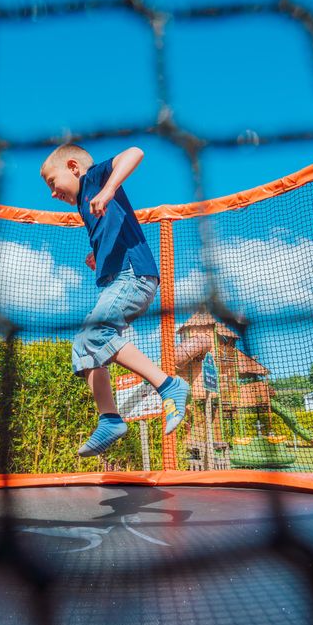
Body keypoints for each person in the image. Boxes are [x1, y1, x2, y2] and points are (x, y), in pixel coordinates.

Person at [40, 143, 189, 457]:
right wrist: (98, 254)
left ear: (73, 167)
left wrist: (108, 188)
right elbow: (112, 229)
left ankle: (168, 386)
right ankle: (109, 419)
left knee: (97, 334)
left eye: (53, 183)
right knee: (83, 345)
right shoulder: (85, 205)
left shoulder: (94, 180)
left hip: (132, 276)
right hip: (115, 281)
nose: (53, 193)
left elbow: (136, 152)